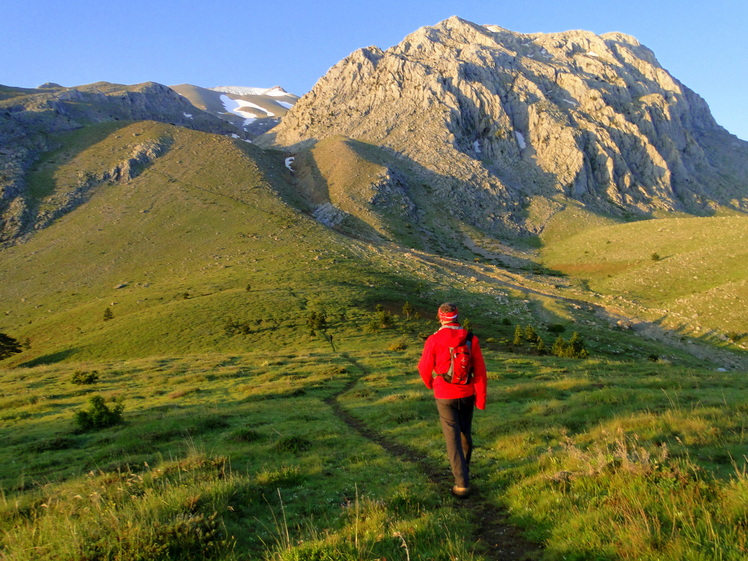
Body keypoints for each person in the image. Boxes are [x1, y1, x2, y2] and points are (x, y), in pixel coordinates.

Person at [418, 302, 487, 497]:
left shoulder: (433, 340)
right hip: (467, 393)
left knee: (452, 438)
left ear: (440, 317)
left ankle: (461, 483)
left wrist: (431, 383)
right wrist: (480, 399)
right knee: (465, 433)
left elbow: (424, 367)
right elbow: (480, 371)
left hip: (444, 394)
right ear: (457, 317)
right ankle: (465, 472)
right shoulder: (471, 339)